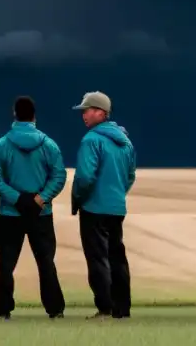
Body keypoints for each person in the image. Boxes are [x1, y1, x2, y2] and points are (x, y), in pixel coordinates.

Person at [0, 95, 67, 320]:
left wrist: (16, 198)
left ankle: (3, 311)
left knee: (7, 264)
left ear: (15, 114)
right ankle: (55, 310)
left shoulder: (1, 145)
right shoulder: (49, 145)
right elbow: (59, 176)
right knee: (46, 262)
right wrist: (40, 199)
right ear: (34, 116)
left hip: (10, 213)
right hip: (41, 213)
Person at [70, 91, 136, 320]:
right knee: (117, 257)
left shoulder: (91, 140)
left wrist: (79, 198)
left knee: (98, 258)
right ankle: (122, 309)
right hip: (117, 208)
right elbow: (130, 176)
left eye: (87, 110)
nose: (83, 115)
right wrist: (117, 194)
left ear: (101, 112)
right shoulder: (125, 141)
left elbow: (85, 177)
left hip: (94, 208)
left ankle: (105, 308)